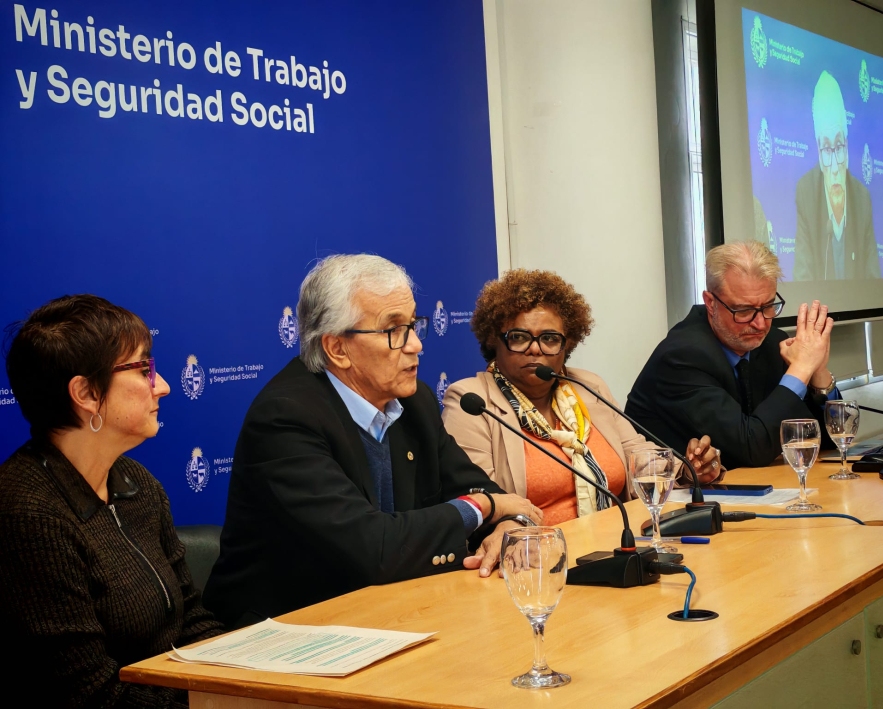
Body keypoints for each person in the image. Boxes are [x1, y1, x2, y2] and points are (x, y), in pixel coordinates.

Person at [203, 255, 540, 629]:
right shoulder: (285, 418)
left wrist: (510, 525)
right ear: (337, 349)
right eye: (394, 330)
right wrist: (482, 506)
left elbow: (487, 492)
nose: (415, 345)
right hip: (290, 631)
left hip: (391, 614)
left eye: (413, 325)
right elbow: (373, 547)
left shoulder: (413, 402)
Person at [0, 295, 222, 708]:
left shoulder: (138, 483)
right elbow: (89, 695)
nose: (164, 385)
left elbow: (192, 620)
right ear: (85, 393)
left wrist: (252, 679)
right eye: (144, 369)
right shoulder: (28, 516)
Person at [441, 269, 721, 527]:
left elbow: (637, 456)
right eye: (519, 337)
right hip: (536, 557)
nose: (535, 349)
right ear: (494, 340)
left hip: (618, 541)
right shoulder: (473, 401)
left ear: (567, 344)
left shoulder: (587, 386)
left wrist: (686, 468)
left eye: (550, 338)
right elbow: (480, 500)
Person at [626, 242, 839, 469]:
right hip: (672, 496)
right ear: (710, 303)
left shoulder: (770, 343)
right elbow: (751, 449)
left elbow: (828, 440)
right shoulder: (682, 357)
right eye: (744, 310)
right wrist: (801, 369)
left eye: (768, 306)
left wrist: (818, 373)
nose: (760, 323)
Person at [793, 70, 880, 281]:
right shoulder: (806, 192)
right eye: (826, 150)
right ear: (818, 151)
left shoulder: (862, 197)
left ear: (847, 148)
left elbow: (873, 278)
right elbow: (802, 277)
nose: (834, 166)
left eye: (839, 147)